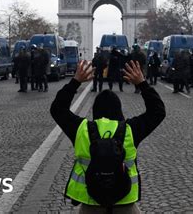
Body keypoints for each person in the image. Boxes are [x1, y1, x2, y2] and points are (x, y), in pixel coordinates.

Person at [50, 60, 166, 213]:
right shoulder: (130, 130)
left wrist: (75, 81)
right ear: (119, 110)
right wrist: (142, 84)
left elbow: (57, 109)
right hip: (125, 202)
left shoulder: (82, 129)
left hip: (90, 203)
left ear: (95, 110)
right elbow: (158, 111)